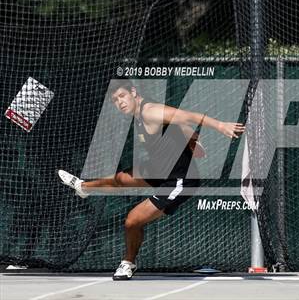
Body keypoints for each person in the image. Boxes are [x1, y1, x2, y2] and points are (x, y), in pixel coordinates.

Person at [58, 79, 245, 280]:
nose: (120, 102)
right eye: (115, 100)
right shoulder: (138, 114)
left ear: (133, 93)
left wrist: (220, 125)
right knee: (121, 178)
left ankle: (128, 263)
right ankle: (83, 187)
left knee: (132, 221)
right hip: (160, 169)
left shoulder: (150, 111)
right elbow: (178, 122)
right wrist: (190, 139)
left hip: (179, 180)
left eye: (122, 96)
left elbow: (186, 116)